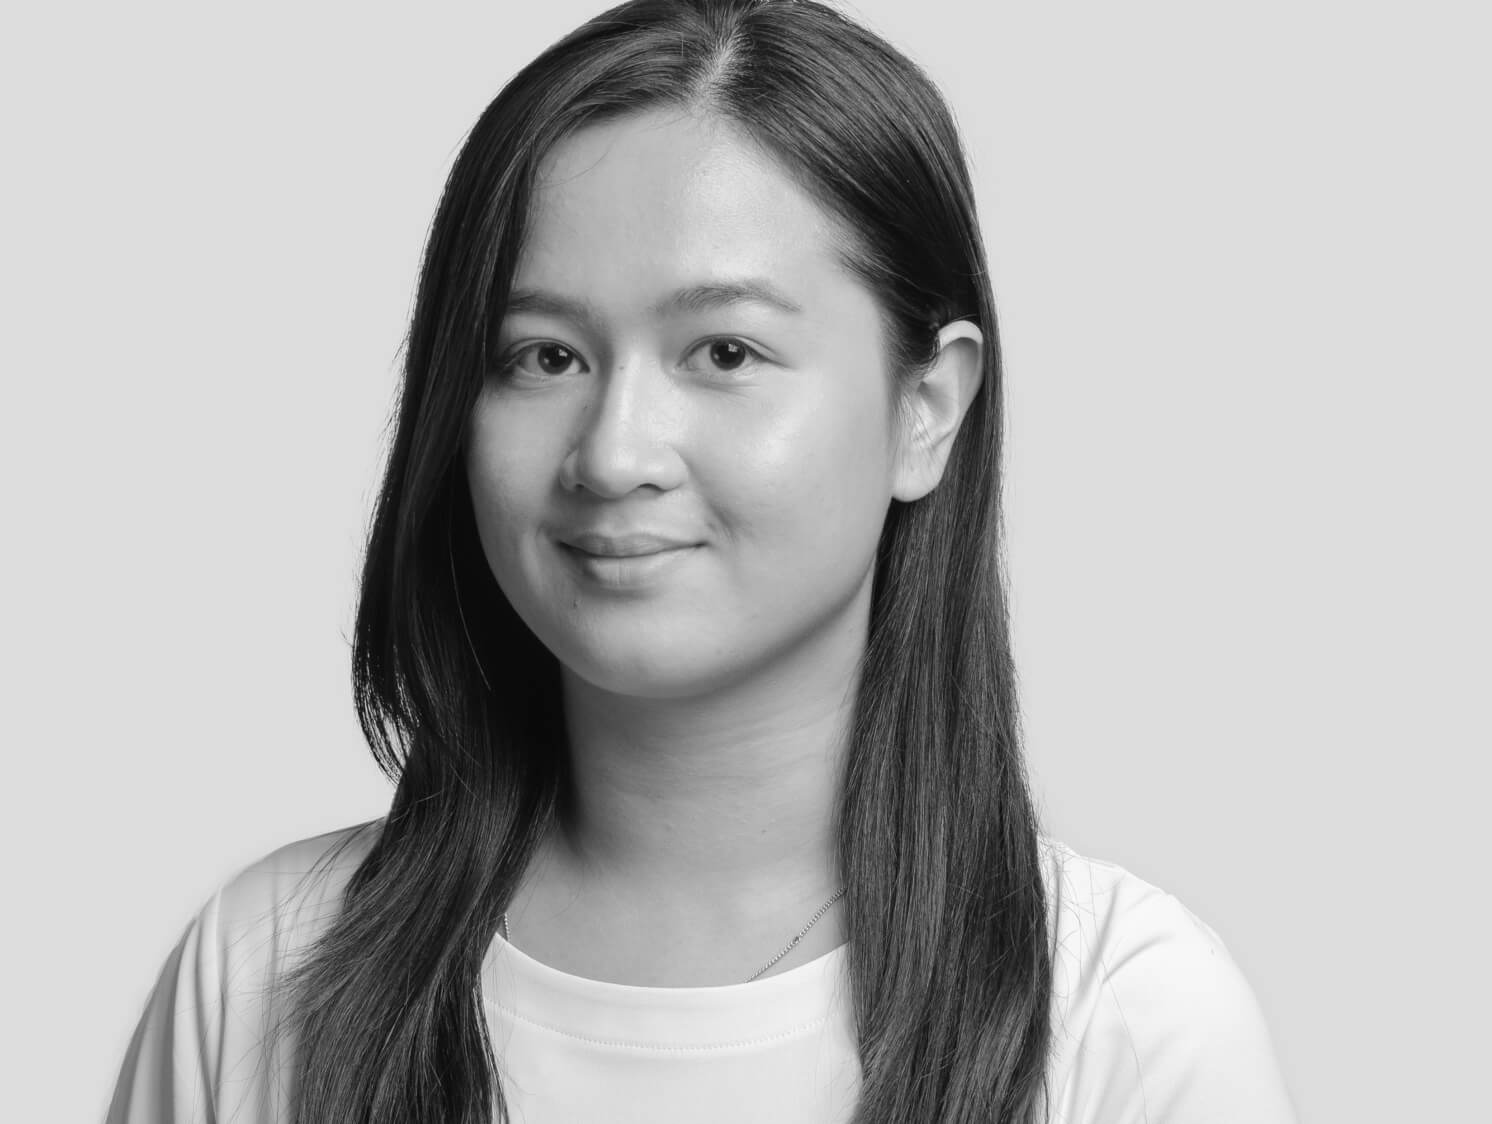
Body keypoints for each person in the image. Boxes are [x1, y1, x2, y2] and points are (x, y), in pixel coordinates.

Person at [104, 1, 1297, 1121]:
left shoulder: (1123, 1017)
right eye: (544, 356)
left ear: (926, 407)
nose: (614, 453)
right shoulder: (267, 970)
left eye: (724, 351)